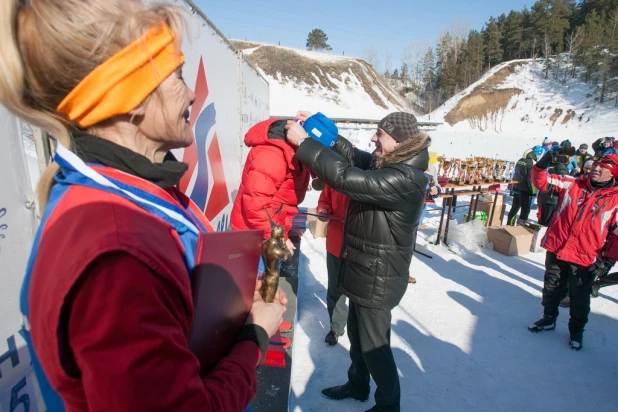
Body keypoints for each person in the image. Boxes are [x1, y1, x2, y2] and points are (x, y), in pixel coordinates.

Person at [0, 1, 286, 410]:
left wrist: (231, 304)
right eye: (178, 75)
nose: (191, 94)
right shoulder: (117, 253)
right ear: (129, 95)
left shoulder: (139, 190)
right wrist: (253, 339)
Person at [286, 111, 429, 412]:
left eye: (380, 134)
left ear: (398, 141)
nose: (374, 138)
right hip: (366, 270)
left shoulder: (405, 178)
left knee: (376, 347)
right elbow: (353, 156)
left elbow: (347, 178)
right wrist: (324, 133)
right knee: (357, 334)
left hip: (379, 278)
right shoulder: (391, 164)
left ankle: (389, 406)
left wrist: (305, 145)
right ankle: (358, 383)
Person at [528, 152, 618, 351]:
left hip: (585, 257)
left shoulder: (615, 201)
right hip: (557, 247)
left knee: (579, 296)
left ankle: (576, 332)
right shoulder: (573, 183)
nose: (595, 168)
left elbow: (617, 236)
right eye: (595, 165)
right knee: (551, 287)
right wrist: (541, 165)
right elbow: (541, 182)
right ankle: (548, 318)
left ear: (612, 173)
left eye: (602, 167)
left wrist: (608, 261)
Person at [317, 185, 350, 346]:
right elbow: (324, 200)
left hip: (361, 246)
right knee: (335, 289)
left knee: (361, 293)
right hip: (336, 244)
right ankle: (336, 327)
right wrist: (323, 210)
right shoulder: (334, 177)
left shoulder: (369, 173)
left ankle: (361, 333)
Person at [537, 143, 571, 226]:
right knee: (547, 224)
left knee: (543, 222)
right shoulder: (560, 168)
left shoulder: (549, 166)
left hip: (546, 197)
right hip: (552, 199)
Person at [507, 148, 538, 225]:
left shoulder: (520, 160)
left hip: (517, 188)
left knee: (514, 208)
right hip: (526, 191)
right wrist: (533, 192)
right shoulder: (532, 163)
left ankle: (509, 225)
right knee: (525, 211)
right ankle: (519, 229)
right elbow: (530, 180)